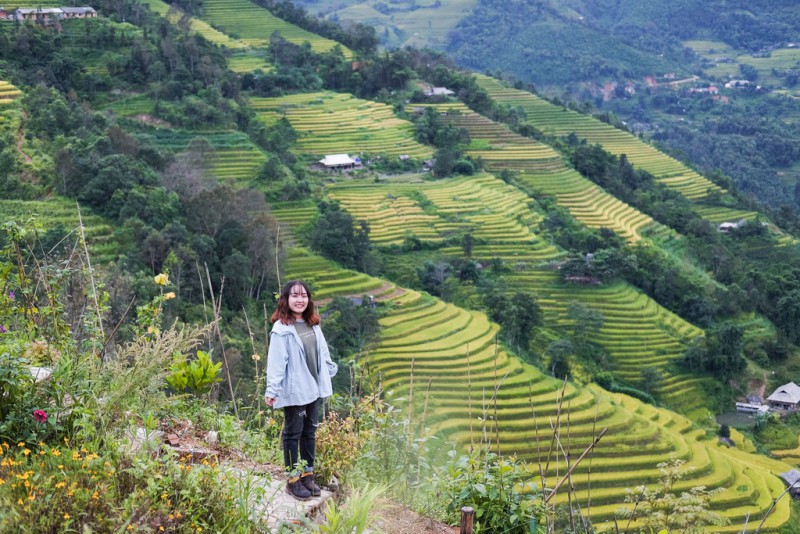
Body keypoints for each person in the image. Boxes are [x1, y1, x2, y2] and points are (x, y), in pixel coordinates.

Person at [265, 280, 337, 500]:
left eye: (303, 295)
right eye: (294, 295)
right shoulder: (282, 330)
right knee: (292, 433)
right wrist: (272, 389)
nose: (300, 300)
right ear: (286, 300)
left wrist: (329, 369)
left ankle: (307, 475)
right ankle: (293, 480)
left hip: (313, 388)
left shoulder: (312, 324)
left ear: (309, 299)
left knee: (309, 432)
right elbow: (276, 362)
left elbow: (322, 352)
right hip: (296, 389)